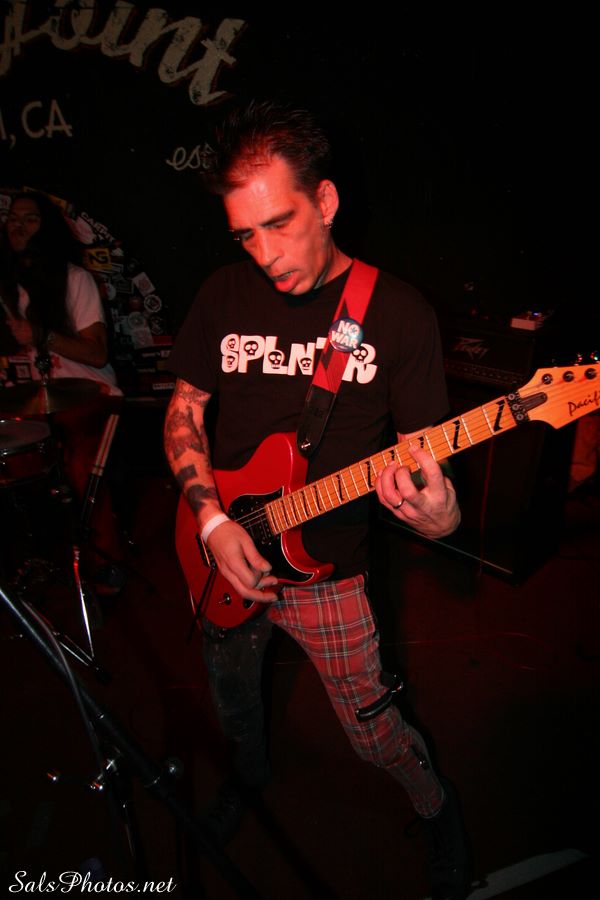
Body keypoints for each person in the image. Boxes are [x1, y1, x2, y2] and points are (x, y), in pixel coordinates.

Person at [164, 101, 471, 900]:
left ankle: (435, 805)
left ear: (325, 201)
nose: (265, 255)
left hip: (328, 569)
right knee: (234, 698)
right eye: (245, 235)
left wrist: (442, 513)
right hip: (222, 547)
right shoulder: (222, 295)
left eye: (280, 224)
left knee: (374, 733)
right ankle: (249, 777)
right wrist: (210, 519)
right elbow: (185, 409)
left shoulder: (396, 313)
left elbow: (426, 456)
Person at [1, 191, 125, 594]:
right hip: (34, 400)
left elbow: (97, 352)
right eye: (12, 218)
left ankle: (104, 563)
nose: (18, 226)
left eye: (30, 219)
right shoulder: (9, 288)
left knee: (79, 462)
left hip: (91, 395)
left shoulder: (75, 280)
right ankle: (33, 561)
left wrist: (40, 335)